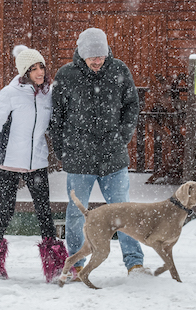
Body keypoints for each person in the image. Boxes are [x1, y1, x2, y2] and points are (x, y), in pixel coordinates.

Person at [48, 27, 144, 279]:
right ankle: (77, 264)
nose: (97, 61)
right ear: (81, 53)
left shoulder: (119, 70)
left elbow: (132, 106)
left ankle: (134, 264)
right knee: (77, 212)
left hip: (113, 157)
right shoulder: (66, 75)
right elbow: (56, 117)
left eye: (100, 55)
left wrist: (122, 136)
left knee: (123, 212)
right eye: (92, 56)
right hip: (79, 158)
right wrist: (62, 150)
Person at [0, 46, 69, 281]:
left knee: (44, 213)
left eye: (41, 67)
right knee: (6, 212)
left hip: (36, 162)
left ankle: (56, 267)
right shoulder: (10, 93)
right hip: (7, 163)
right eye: (33, 68)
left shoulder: (49, 93)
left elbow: (54, 125)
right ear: (24, 72)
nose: (39, 72)